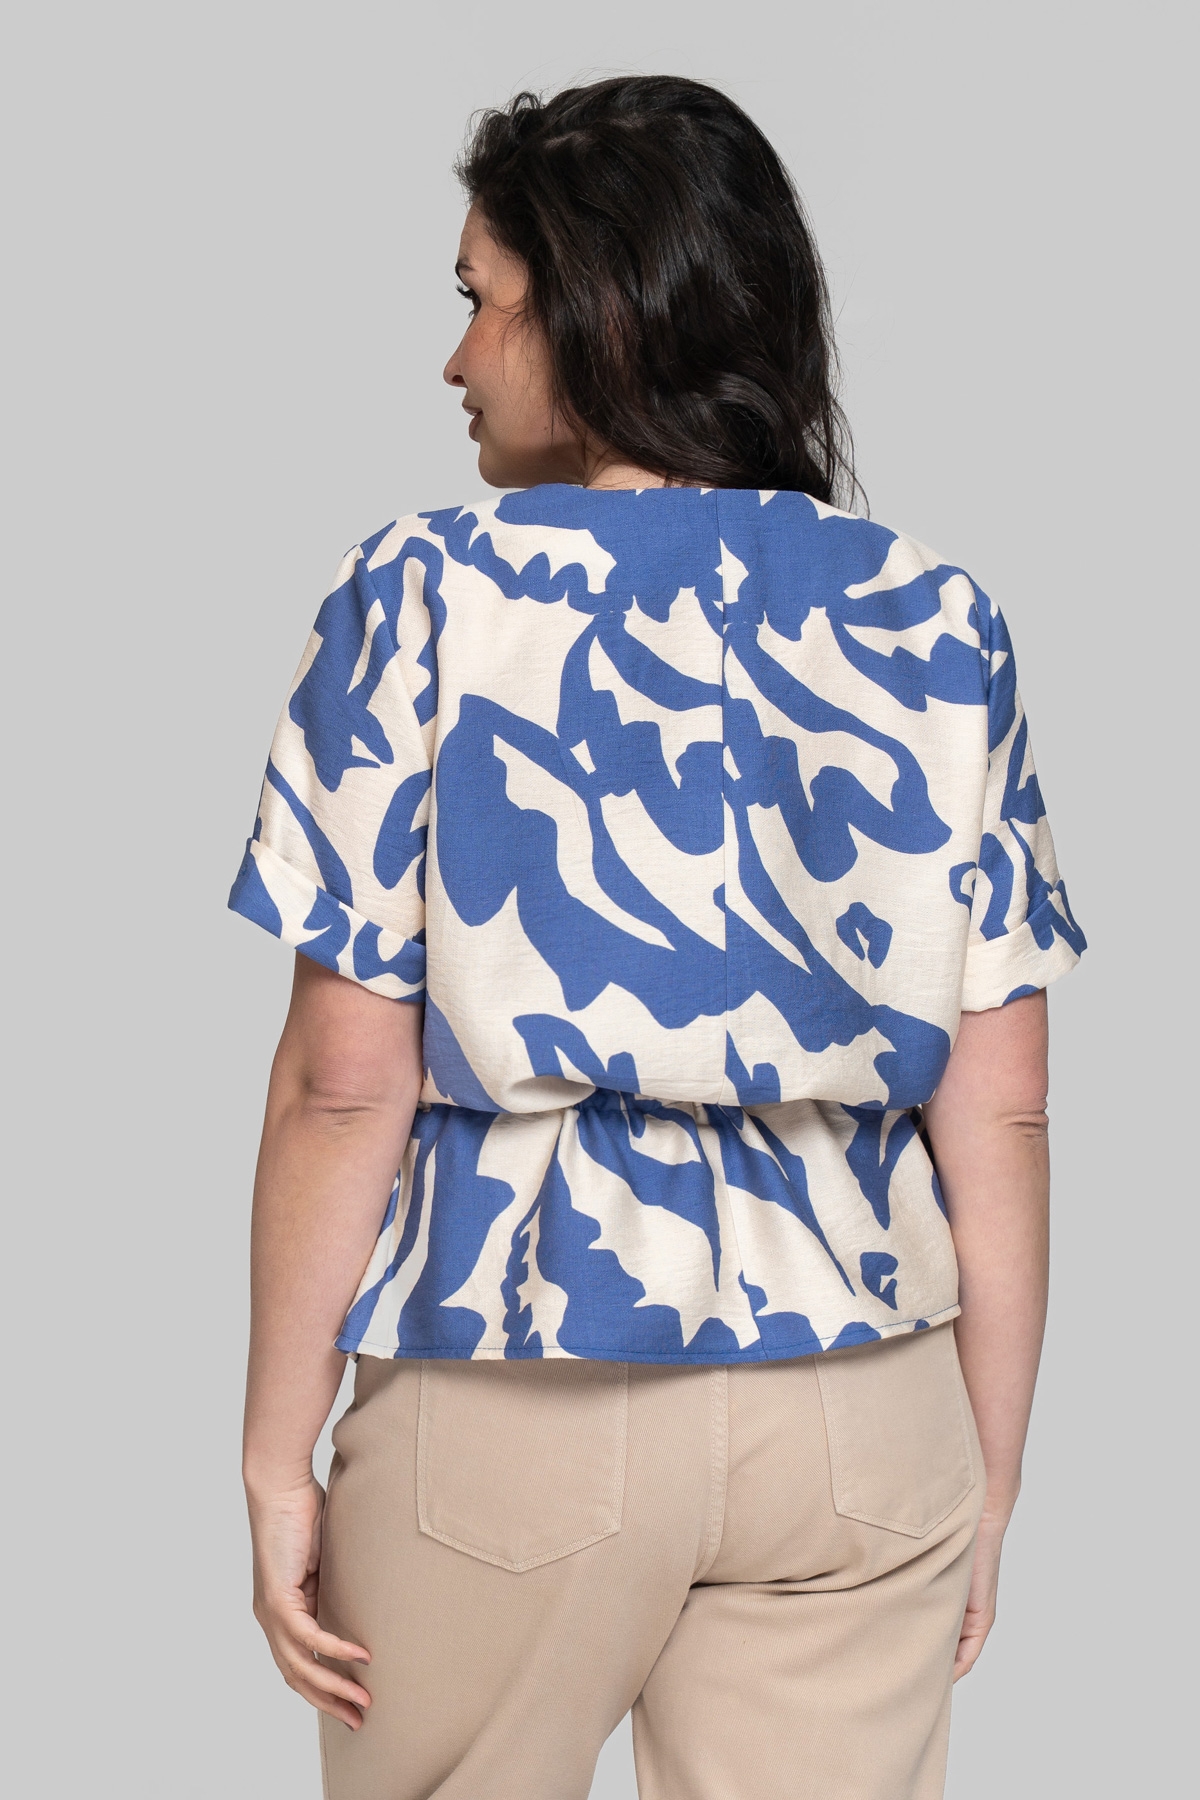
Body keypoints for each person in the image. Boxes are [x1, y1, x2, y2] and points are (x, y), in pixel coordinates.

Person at [228, 75, 1085, 1800]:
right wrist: (986, 1473)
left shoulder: (419, 594)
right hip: (862, 1406)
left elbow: (343, 1084)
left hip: (510, 1382)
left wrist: (272, 1450)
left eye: (481, 301)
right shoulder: (938, 616)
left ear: (597, 312)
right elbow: (999, 1106)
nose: (456, 358)